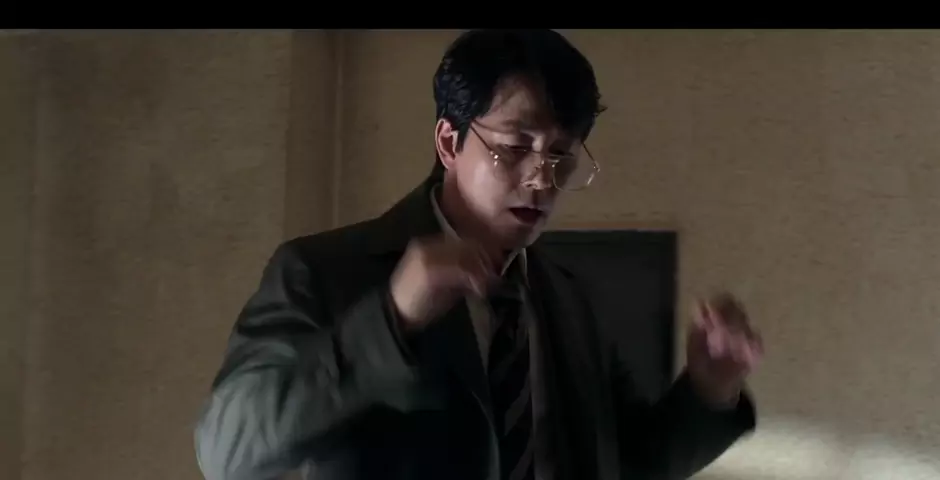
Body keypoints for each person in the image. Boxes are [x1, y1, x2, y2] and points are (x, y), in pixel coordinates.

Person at [194, 29, 764, 480]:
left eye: (561, 156)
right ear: (449, 142)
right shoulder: (323, 272)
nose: (541, 179)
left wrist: (709, 389)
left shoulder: (569, 298)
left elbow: (629, 462)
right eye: (515, 147)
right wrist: (391, 320)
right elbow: (226, 448)